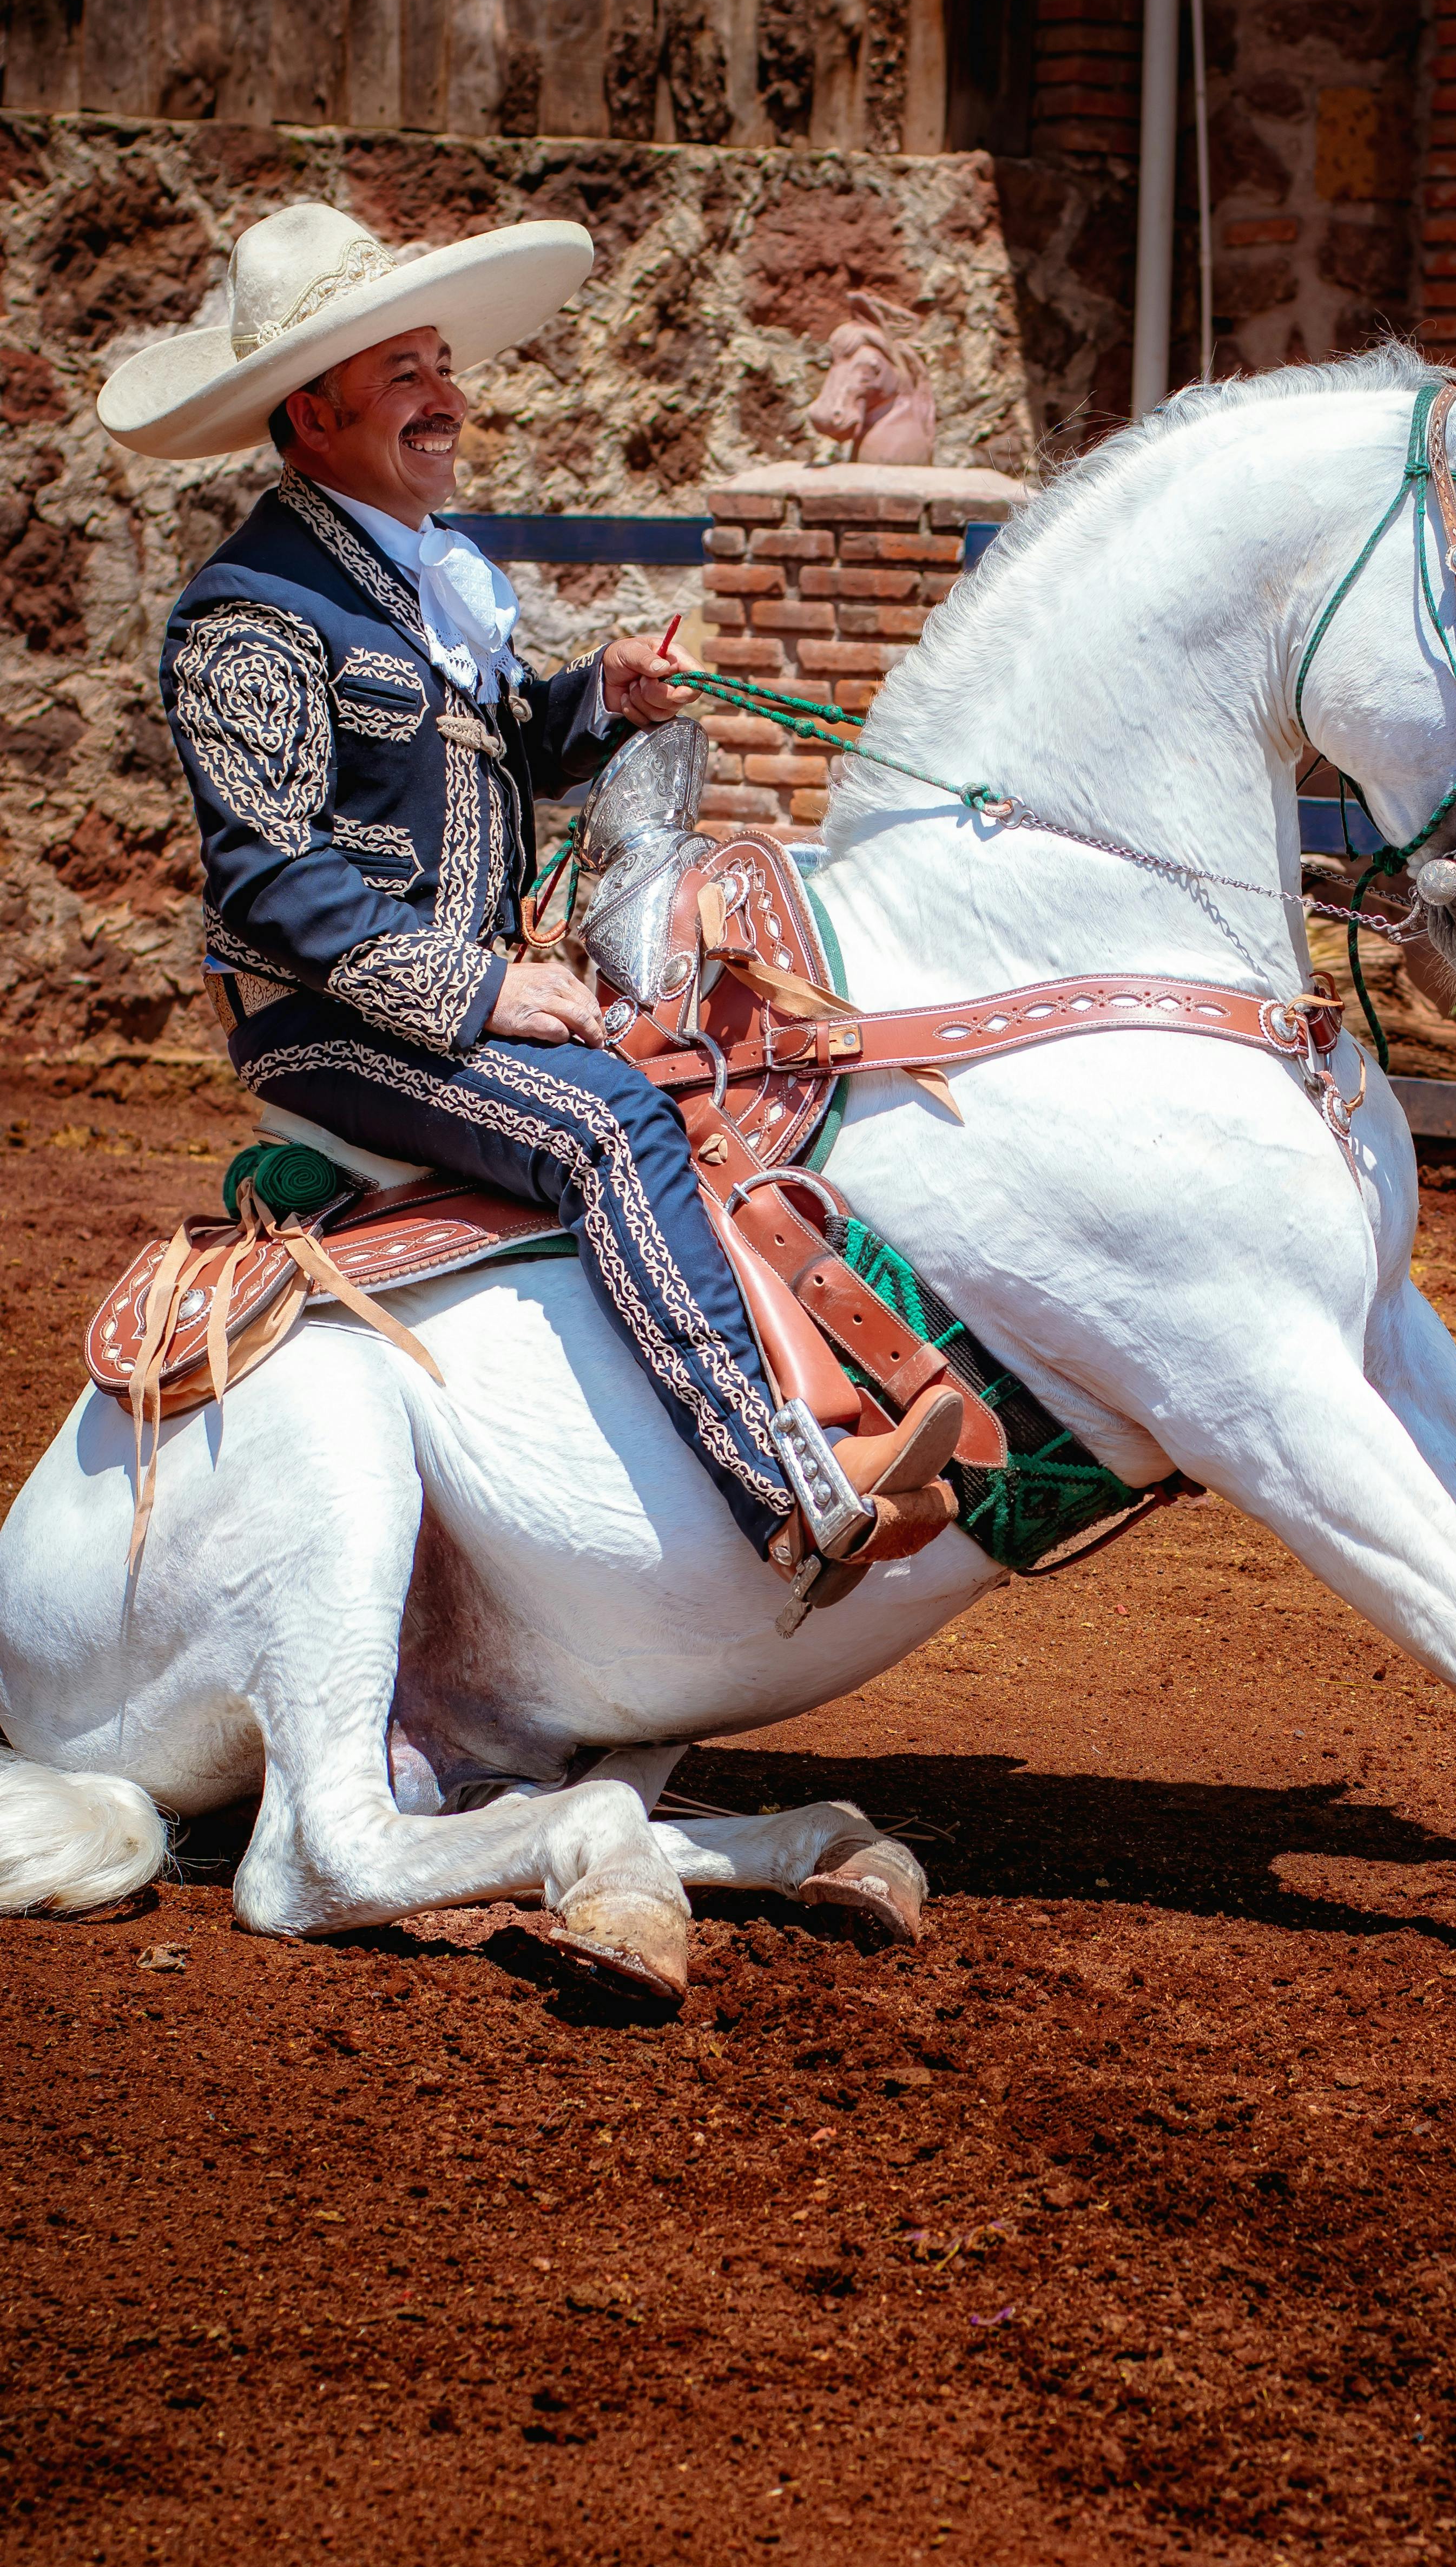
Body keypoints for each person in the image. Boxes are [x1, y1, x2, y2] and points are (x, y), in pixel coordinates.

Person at [96, 200, 958, 1584]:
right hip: (329, 1020)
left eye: (442, 364)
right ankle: (788, 1480)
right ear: (312, 414)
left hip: (454, 993)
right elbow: (268, 877)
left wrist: (601, 701)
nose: (447, 399)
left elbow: (492, 757)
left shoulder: (412, 573)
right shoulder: (248, 611)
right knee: (611, 1122)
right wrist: (488, 985)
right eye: (406, 377)